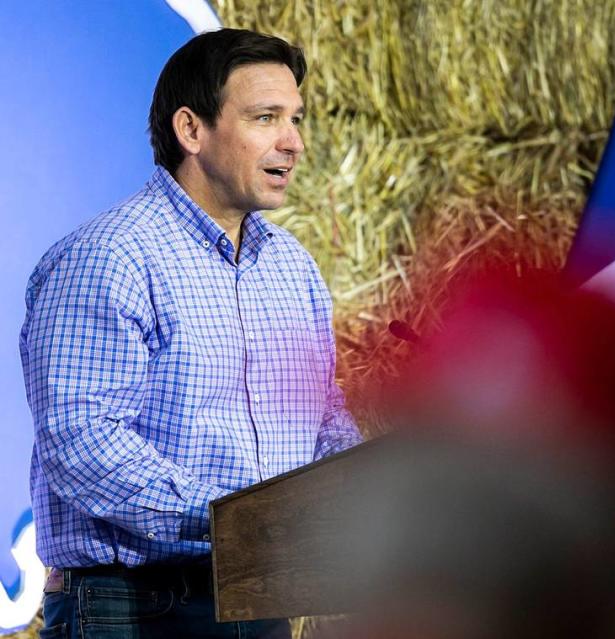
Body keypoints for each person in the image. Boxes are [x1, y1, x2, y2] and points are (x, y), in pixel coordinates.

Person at [19, 28, 362, 638]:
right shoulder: (109, 257)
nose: (294, 142)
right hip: (133, 609)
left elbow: (323, 414)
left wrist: (358, 491)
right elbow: (80, 440)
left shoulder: (293, 267)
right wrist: (233, 521)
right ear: (191, 130)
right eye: (266, 117)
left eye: (296, 119)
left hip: (263, 603)